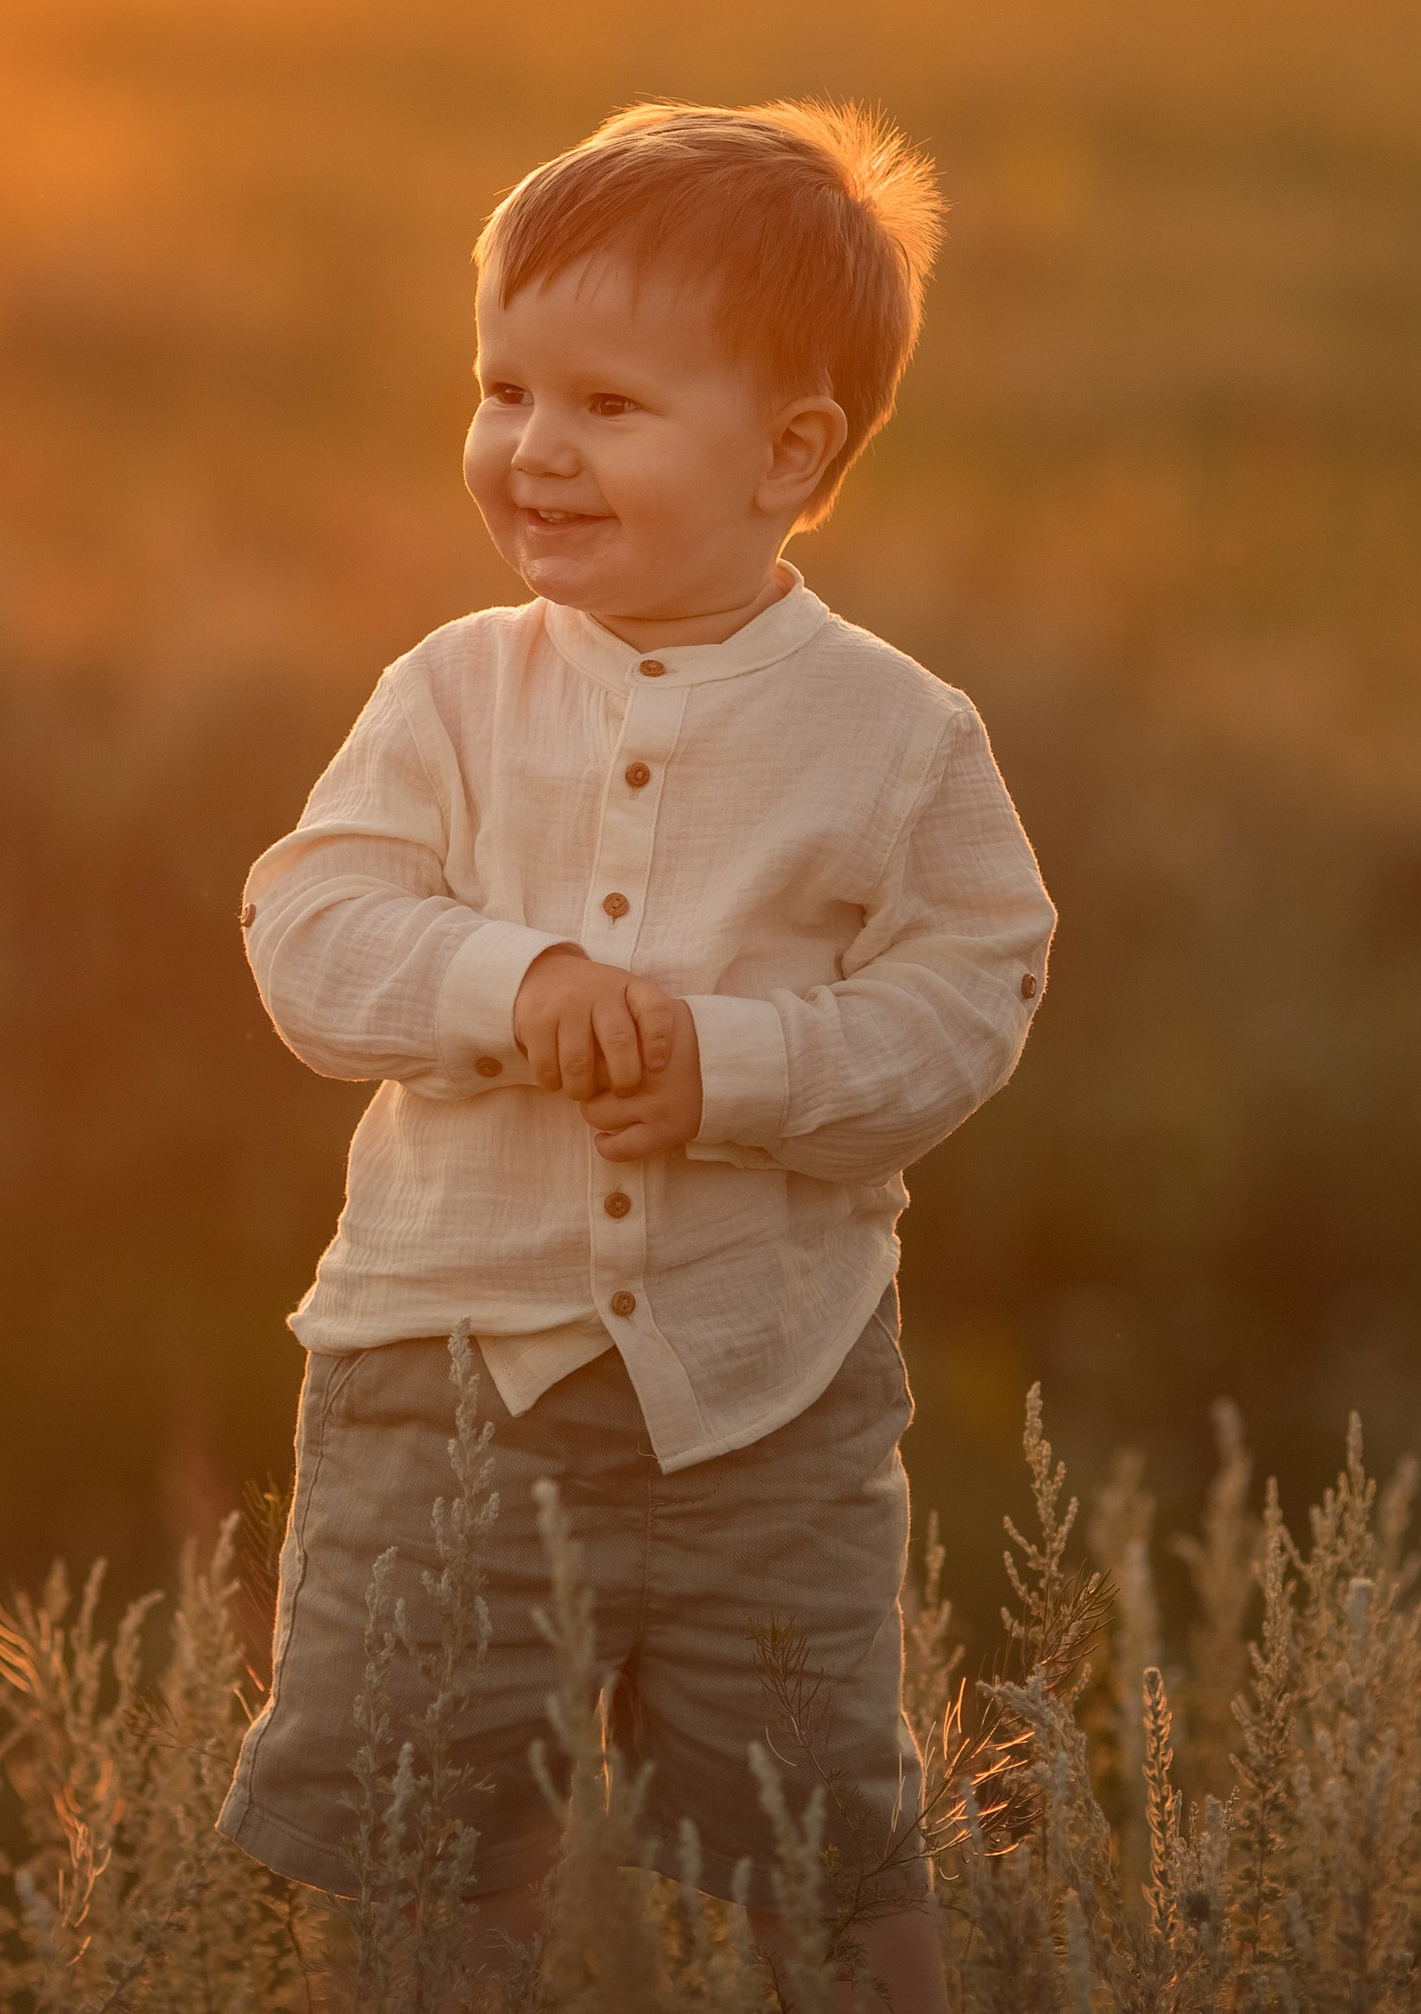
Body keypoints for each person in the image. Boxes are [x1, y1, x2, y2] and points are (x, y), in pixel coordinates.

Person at [218, 99, 1055, 2009]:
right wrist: (508, 985)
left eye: (607, 405)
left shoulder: (892, 736)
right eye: (506, 388)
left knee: (822, 1839)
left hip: (766, 1392)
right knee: (435, 1852)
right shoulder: (448, 692)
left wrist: (741, 1070)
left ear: (791, 455)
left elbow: (971, 992)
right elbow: (311, 933)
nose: (534, 448)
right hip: (445, 1382)